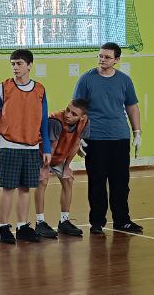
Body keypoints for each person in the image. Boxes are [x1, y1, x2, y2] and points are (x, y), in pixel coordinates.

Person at [73, 42, 144, 235]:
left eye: (107, 57)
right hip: (95, 139)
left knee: (120, 182)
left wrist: (137, 132)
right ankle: (97, 222)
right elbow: (77, 109)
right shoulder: (86, 79)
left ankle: (122, 220)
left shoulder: (124, 80)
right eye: (100, 56)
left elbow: (132, 106)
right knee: (97, 182)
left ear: (117, 60)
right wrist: (77, 136)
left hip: (119, 138)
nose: (102, 60)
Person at [0, 49, 50, 244]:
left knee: (25, 189)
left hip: (31, 146)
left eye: (19, 63)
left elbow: (43, 120)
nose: (15, 67)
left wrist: (46, 147)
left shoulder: (40, 90)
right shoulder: (2, 88)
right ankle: (2, 227)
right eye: (13, 64)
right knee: (8, 188)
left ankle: (22, 226)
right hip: (9, 144)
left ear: (29, 65)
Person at [34, 98, 90, 239]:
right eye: (67, 110)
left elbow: (76, 144)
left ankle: (64, 222)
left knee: (68, 180)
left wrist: (67, 166)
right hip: (43, 154)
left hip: (60, 155)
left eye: (74, 114)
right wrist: (45, 169)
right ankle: (40, 222)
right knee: (42, 181)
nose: (68, 115)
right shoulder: (56, 121)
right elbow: (51, 147)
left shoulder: (85, 123)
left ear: (82, 117)